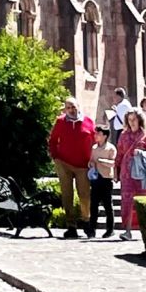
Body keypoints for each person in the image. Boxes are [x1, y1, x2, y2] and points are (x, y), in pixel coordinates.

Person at [48, 96, 95, 238]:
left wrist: (94, 159)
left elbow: (95, 140)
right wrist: (55, 157)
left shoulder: (88, 122)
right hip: (64, 163)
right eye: (68, 107)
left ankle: (86, 221)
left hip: (83, 165)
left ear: (78, 107)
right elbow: (53, 140)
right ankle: (71, 226)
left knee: (84, 195)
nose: (71, 110)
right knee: (67, 194)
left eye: (73, 107)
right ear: (65, 109)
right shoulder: (60, 122)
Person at [116, 108, 146, 240]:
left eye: (134, 119)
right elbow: (119, 154)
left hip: (141, 175)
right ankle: (127, 231)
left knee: (143, 202)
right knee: (127, 202)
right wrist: (116, 171)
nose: (132, 122)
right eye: (129, 119)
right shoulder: (123, 135)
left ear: (139, 120)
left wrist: (141, 153)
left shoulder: (145, 136)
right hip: (126, 174)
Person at [87, 124, 117, 238]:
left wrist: (101, 161)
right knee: (93, 205)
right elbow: (90, 161)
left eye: (98, 134)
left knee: (108, 205)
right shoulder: (94, 148)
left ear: (105, 136)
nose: (96, 136)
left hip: (106, 179)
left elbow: (113, 163)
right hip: (95, 179)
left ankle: (110, 229)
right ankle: (92, 229)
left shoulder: (111, 148)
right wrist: (91, 164)